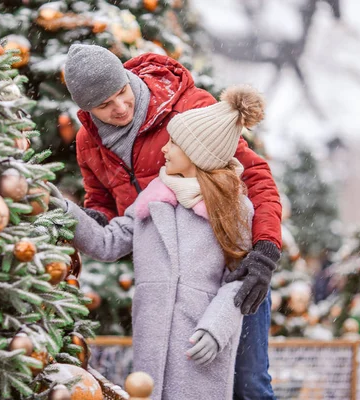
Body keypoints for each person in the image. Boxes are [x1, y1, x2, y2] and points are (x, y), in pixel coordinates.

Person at [64, 44, 281, 399]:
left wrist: (265, 249)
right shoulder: (89, 142)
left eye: (121, 93)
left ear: (128, 78)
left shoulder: (188, 111)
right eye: (104, 105)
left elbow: (254, 174)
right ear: (86, 109)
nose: (119, 108)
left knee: (248, 383)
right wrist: (91, 220)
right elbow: (101, 200)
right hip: (165, 279)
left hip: (233, 266)